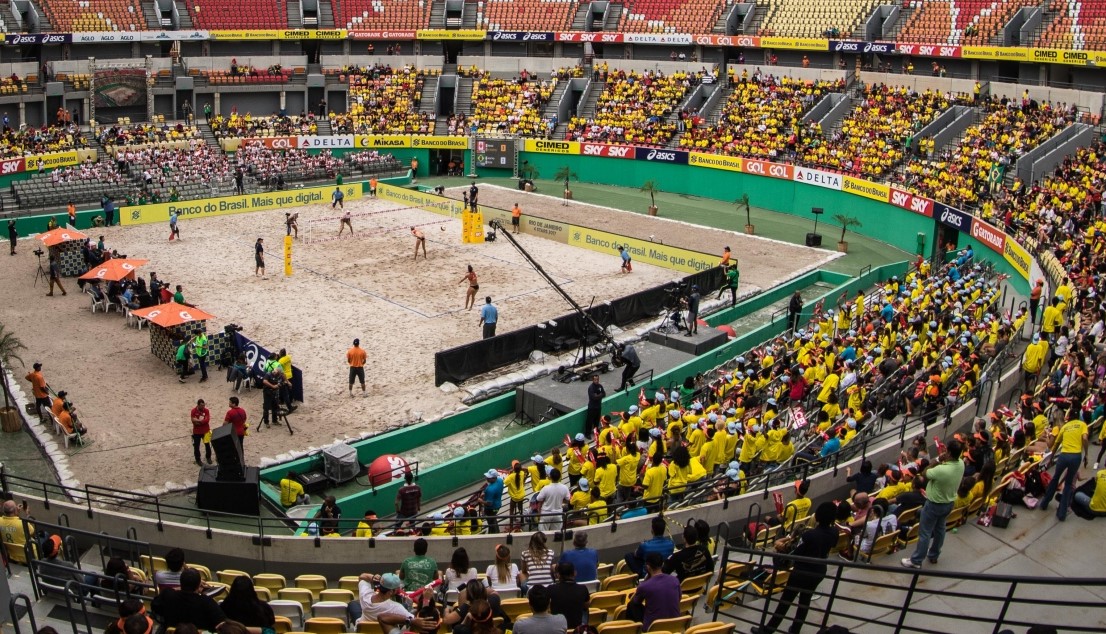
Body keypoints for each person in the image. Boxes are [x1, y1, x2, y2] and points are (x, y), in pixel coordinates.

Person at [750, 502, 839, 634]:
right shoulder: (834, 532)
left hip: (801, 572)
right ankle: (795, 630)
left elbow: (796, 554)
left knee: (785, 602)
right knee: (804, 603)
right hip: (819, 571)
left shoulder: (809, 535)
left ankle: (768, 630)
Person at [901, 438, 965, 569]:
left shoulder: (942, 469)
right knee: (940, 529)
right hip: (949, 503)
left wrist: (937, 460)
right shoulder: (961, 464)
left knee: (925, 533)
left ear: (949, 453)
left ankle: (916, 560)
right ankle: (934, 555)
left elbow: (925, 473)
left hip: (934, 504)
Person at [1040, 407, 1089, 522]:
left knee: (1055, 478)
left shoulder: (1065, 427)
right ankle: (1062, 514)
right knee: (1068, 484)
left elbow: (1056, 444)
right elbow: (1085, 438)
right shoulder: (1082, 425)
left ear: (1069, 417)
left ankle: (1044, 503)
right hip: (1076, 456)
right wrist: (1086, 454)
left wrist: (1051, 458)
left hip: (1064, 456)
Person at [355, 572, 437, 633]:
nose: (399, 590)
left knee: (353, 604)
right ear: (391, 592)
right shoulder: (396, 608)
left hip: (363, 630)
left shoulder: (365, 596)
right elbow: (420, 621)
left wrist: (374, 578)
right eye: (397, 589)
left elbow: (362, 577)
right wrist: (426, 600)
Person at [151, 568, 225, 631]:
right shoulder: (207, 602)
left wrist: (178, 588)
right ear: (199, 585)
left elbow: (154, 605)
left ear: (180, 583)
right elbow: (222, 623)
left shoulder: (168, 595)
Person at [627, 552, 680, 631]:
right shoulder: (675, 580)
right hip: (675, 623)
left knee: (631, 605)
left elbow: (635, 601)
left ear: (648, 567)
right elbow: (679, 598)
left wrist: (645, 581)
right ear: (662, 565)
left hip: (653, 627)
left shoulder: (645, 586)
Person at [547, 562, 590, 629]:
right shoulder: (583, 588)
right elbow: (586, 605)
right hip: (576, 628)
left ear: (558, 575)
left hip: (558, 628)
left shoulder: (551, 589)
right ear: (575, 573)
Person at [190, 398, 212, 466]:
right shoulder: (193, 411)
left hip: (205, 431)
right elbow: (193, 421)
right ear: (198, 405)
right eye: (202, 405)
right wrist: (202, 421)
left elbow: (207, 420)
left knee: (207, 445)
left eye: (204, 405)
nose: (203, 407)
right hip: (197, 432)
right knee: (196, 446)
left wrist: (199, 421)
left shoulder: (206, 410)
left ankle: (208, 457)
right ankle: (198, 460)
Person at [482, 469, 504, 533]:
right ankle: (497, 531)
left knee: (491, 522)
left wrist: (481, 501)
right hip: (497, 506)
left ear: (494, 478)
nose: (487, 478)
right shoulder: (500, 480)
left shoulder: (490, 489)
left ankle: (493, 533)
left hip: (491, 509)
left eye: (489, 477)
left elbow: (489, 504)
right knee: (493, 519)